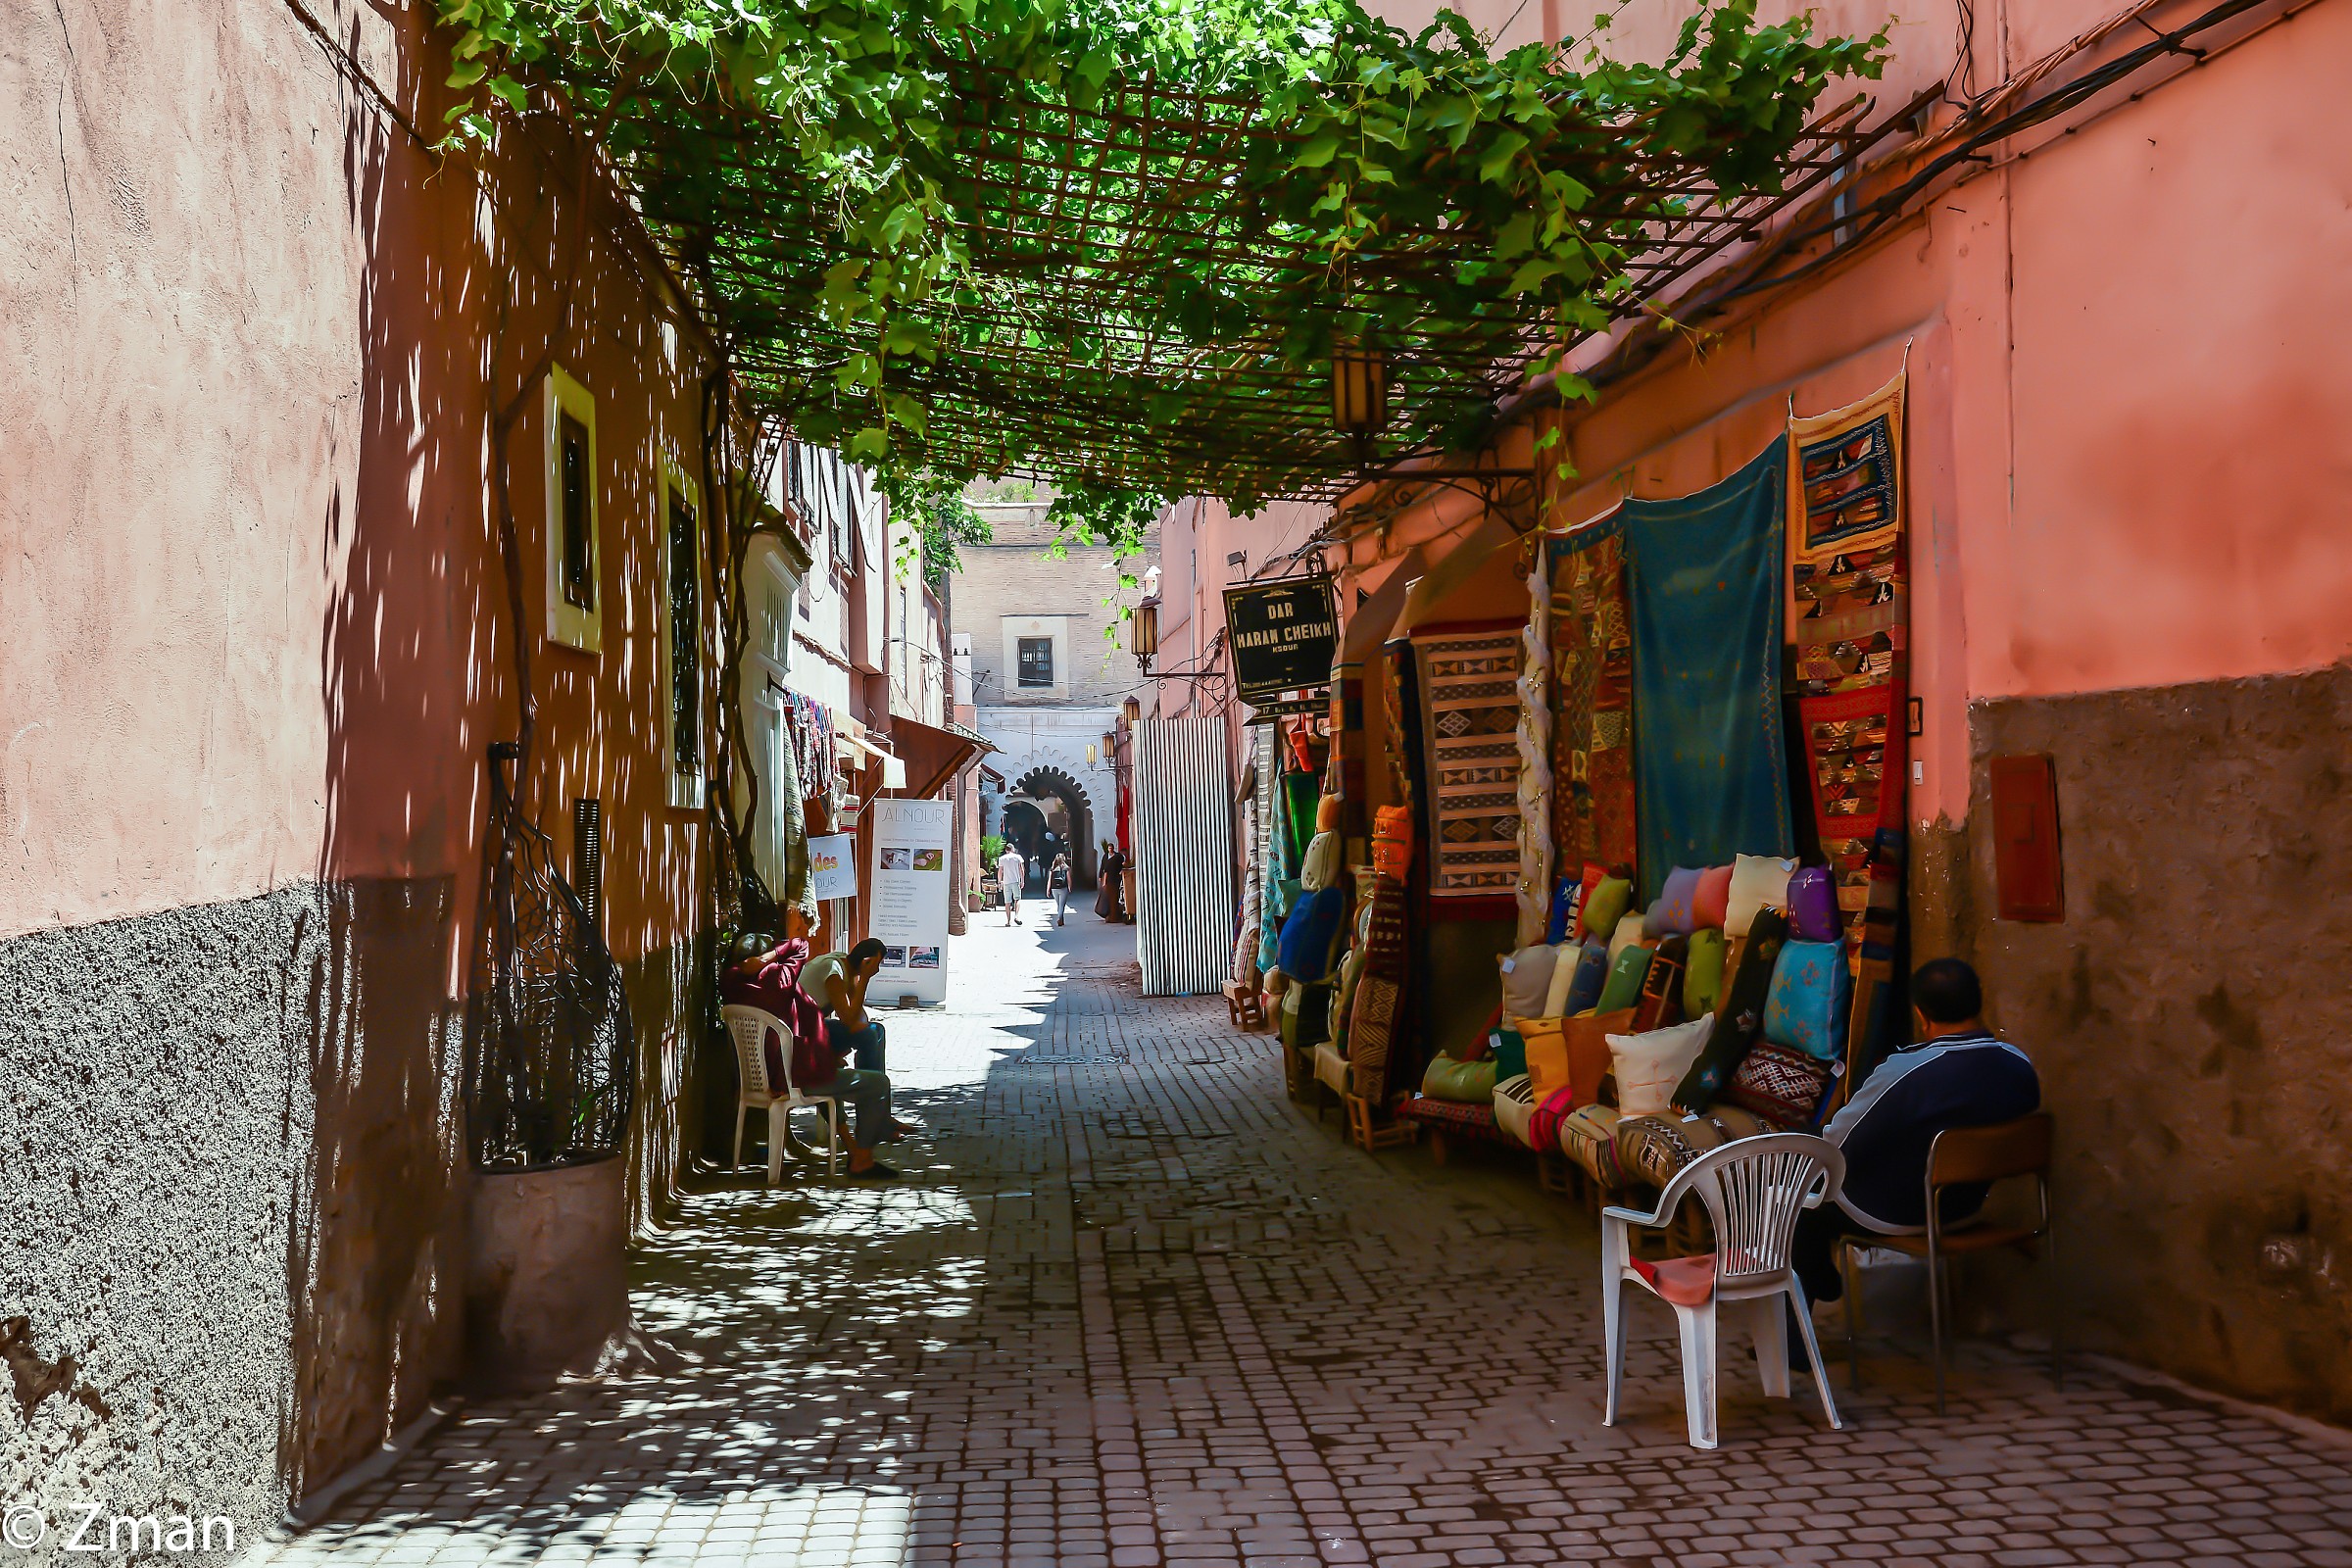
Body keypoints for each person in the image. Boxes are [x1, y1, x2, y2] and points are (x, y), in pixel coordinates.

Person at [1789, 957, 2041, 1306]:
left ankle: (1801, 1313)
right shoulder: (2019, 1065)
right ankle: (1816, 1278)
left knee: (1801, 1182)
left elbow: (1836, 1147)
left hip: (1895, 1215)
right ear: (1978, 1001)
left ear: (1921, 1015)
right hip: (1964, 1207)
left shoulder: (1905, 1072)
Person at [718, 924, 899, 1179]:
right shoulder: (781, 981)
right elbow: (800, 945)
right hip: (795, 1077)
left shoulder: (730, 983)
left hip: (759, 1081)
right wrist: (769, 957)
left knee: (836, 1065)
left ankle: (852, 1150)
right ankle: (864, 1159)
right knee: (877, 1083)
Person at [801, 936, 913, 1141]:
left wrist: (860, 1027)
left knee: (876, 1031)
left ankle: (880, 1117)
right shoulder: (834, 971)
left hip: (815, 1029)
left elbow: (859, 1015)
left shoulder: (846, 967)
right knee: (870, 1035)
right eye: (876, 965)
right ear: (866, 962)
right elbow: (849, 1020)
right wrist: (866, 979)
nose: (877, 971)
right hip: (802, 1035)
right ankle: (873, 1122)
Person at [997, 843, 1027, 925]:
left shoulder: (1002, 858)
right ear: (1013, 849)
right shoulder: (1018, 857)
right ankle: (1016, 916)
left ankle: (1008, 921)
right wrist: (1022, 880)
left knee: (1007, 902)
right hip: (1016, 881)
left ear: (1006, 850)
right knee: (1017, 899)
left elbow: (1000, 871)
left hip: (1006, 882)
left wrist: (999, 882)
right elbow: (1021, 870)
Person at [1048, 852, 1073, 926]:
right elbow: (1069, 879)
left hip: (1054, 888)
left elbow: (1049, 880)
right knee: (1062, 905)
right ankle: (1060, 918)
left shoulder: (1052, 869)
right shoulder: (1066, 868)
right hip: (1063, 888)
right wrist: (1069, 887)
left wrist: (1048, 889)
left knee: (1058, 904)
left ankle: (1061, 918)